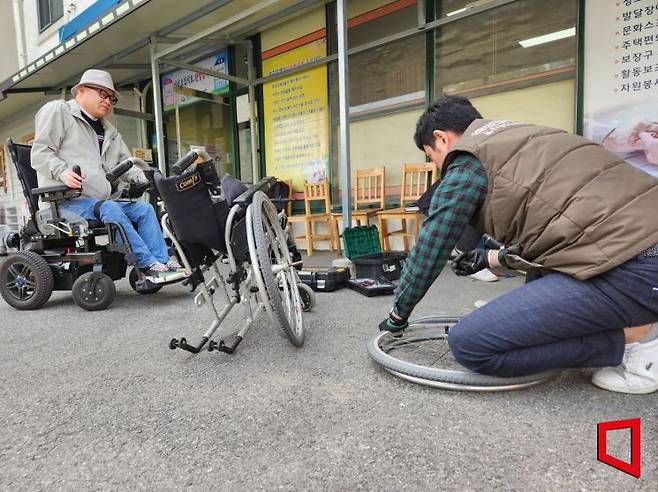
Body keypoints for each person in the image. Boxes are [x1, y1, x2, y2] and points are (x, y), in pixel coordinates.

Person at [379, 95, 658, 394]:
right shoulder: (525, 136)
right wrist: (492, 259)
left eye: (431, 155)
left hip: (635, 269)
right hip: (632, 251)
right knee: (535, 287)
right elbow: (559, 235)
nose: (438, 166)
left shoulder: (467, 162)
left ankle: (635, 344)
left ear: (441, 138)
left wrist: (398, 315)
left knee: (470, 344)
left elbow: (430, 247)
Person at [31, 69, 183, 281]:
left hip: (99, 203)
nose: (108, 101)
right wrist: (62, 172)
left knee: (144, 209)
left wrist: (150, 180)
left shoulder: (109, 132)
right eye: (102, 94)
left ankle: (163, 262)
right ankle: (148, 264)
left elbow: (127, 165)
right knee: (110, 207)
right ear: (81, 91)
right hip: (63, 204)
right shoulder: (59, 111)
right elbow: (39, 153)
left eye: (111, 98)